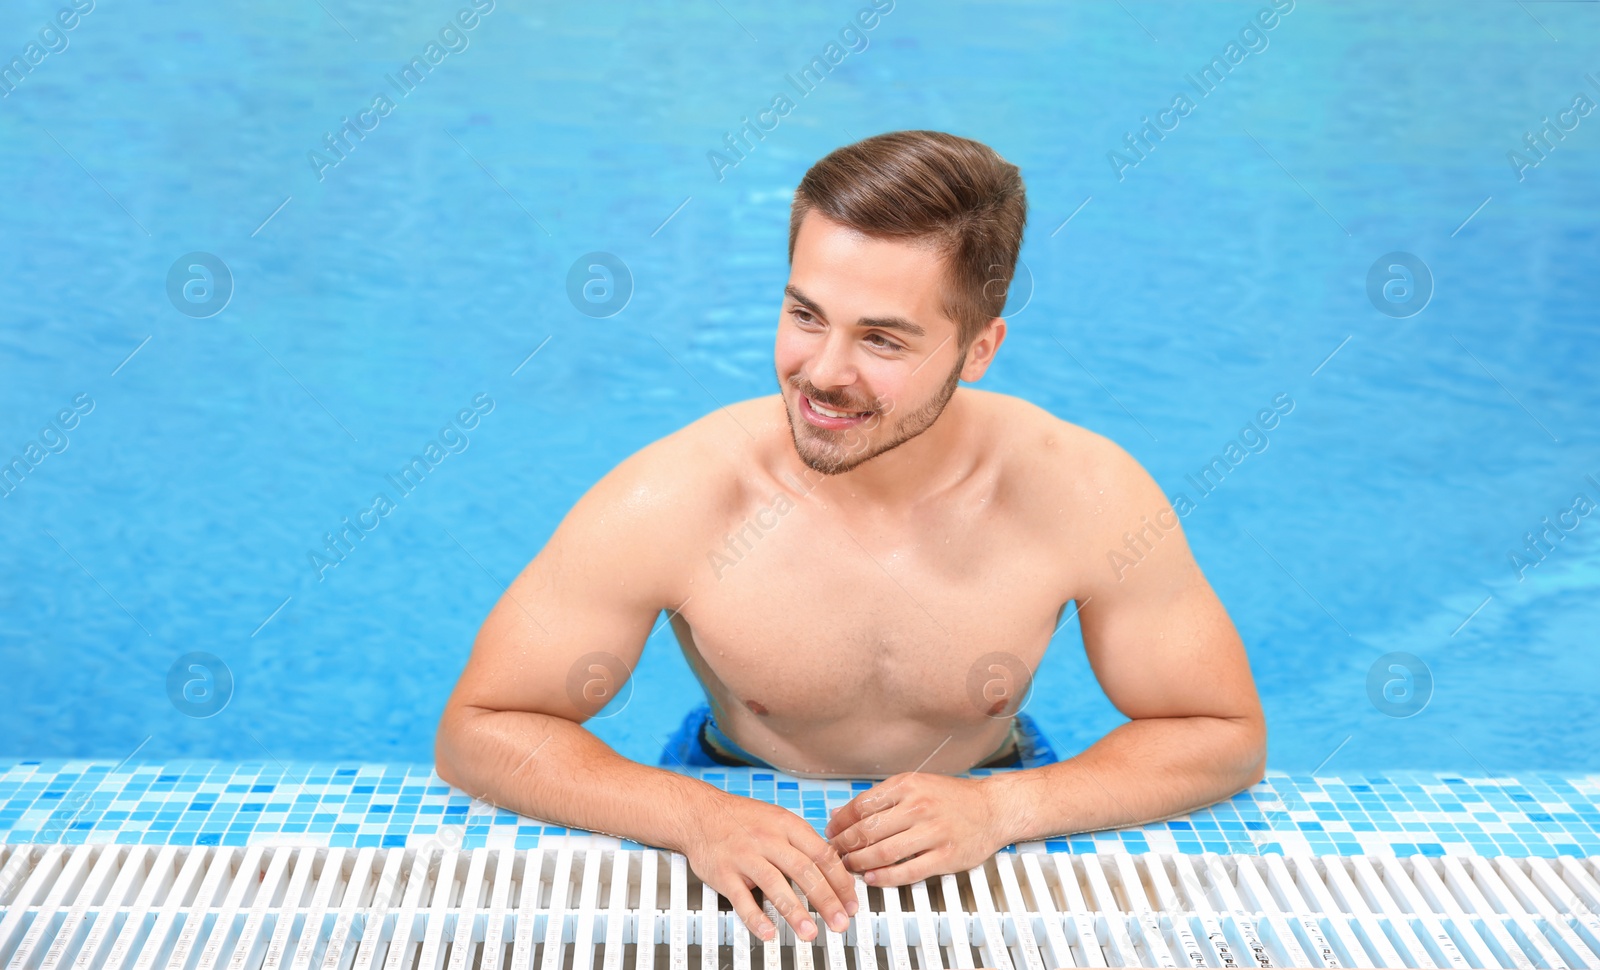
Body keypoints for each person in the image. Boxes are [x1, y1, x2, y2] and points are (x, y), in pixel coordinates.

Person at [435, 129, 1266, 947]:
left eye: (881, 338)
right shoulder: (677, 496)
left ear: (979, 348)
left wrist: (1006, 808)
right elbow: (480, 728)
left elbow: (1223, 736)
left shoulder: (1082, 492)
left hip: (989, 789)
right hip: (727, 792)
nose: (824, 373)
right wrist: (696, 814)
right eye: (806, 314)